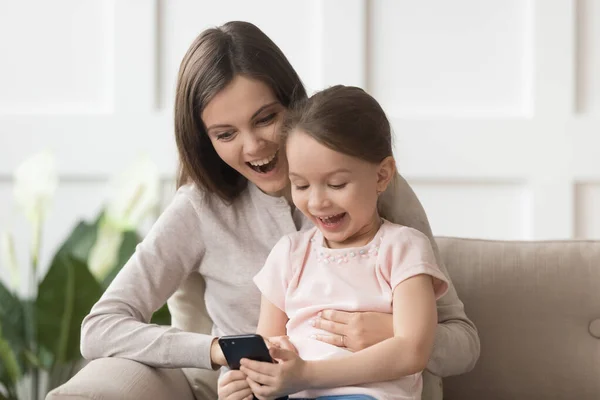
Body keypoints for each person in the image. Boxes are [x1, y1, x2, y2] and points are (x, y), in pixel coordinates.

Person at [80, 21, 479, 400]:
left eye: (266, 118)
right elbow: (100, 327)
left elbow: (463, 343)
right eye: (226, 134)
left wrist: (393, 334)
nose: (253, 147)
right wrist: (226, 352)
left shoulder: (369, 182)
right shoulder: (199, 211)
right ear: (206, 140)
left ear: (293, 104)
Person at [220, 85, 450, 400]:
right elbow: (269, 346)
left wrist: (307, 375)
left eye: (336, 184)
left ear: (382, 176)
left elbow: (411, 351)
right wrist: (249, 382)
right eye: (300, 184)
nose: (317, 202)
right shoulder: (289, 254)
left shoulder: (402, 248)